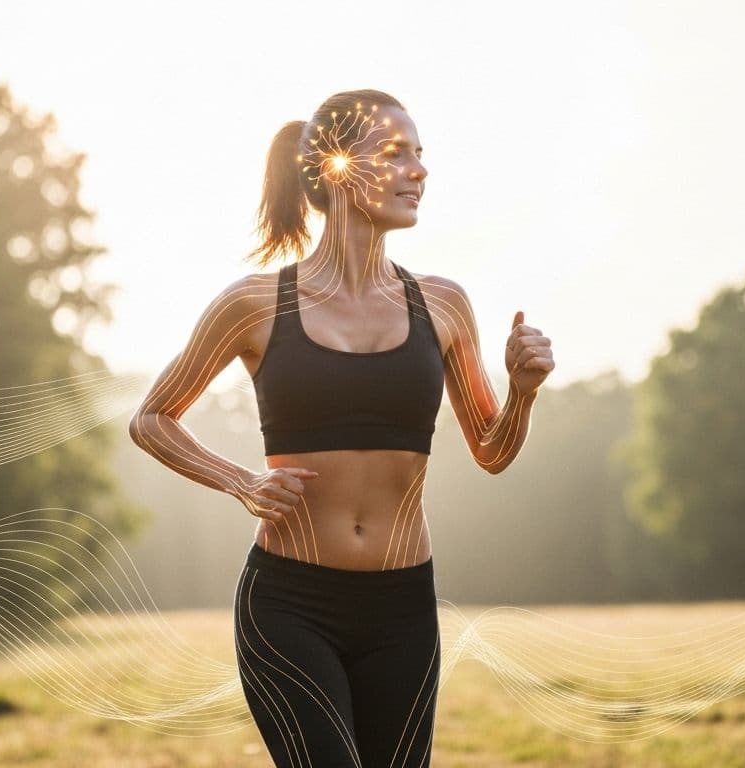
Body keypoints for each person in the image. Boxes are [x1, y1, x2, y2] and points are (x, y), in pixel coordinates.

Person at [130, 88, 554, 766]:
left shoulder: (442, 304)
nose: (419, 170)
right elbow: (151, 418)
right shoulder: (255, 304)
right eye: (395, 153)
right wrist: (239, 480)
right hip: (290, 606)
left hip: (403, 609)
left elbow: (491, 450)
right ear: (336, 168)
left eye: (421, 155)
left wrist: (523, 393)